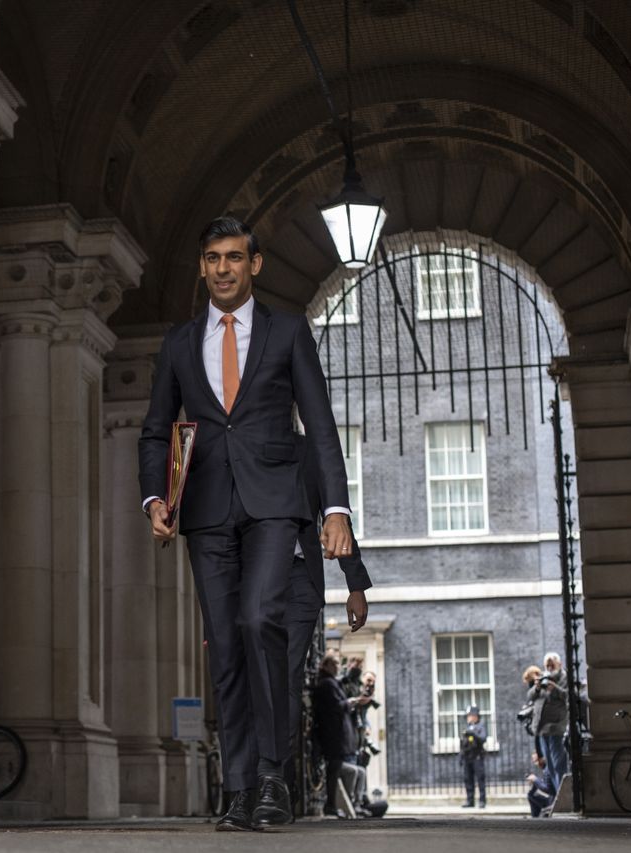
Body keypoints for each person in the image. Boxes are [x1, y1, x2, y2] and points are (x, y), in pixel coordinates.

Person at [139, 216, 354, 831]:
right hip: (205, 509)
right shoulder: (180, 344)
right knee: (227, 645)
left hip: (275, 502)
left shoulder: (287, 332)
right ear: (203, 266)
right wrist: (155, 497)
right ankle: (236, 789)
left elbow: (320, 422)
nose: (224, 268)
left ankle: (271, 776)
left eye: (235, 257)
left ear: (254, 264)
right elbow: (157, 429)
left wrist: (335, 509)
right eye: (213, 258)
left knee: (262, 619)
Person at [285, 434, 371, 787]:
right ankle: (244, 783)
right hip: (250, 581)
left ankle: (278, 782)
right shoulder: (236, 440)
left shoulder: (309, 450)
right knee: (246, 680)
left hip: (299, 579)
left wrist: (356, 586)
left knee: (286, 681)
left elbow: (336, 518)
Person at [311, 655, 365, 817]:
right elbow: (334, 707)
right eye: (334, 663)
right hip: (332, 734)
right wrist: (351, 702)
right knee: (333, 770)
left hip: (335, 733)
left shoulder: (331, 683)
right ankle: (330, 805)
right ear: (326, 665)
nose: (337, 667)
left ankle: (332, 804)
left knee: (334, 769)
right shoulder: (327, 684)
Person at [529, 652, 569, 797]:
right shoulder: (543, 678)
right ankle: (558, 797)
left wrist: (555, 688)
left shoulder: (564, 678)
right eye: (547, 665)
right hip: (542, 729)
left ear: (559, 664)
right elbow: (530, 696)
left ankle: (563, 797)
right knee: (550, 766)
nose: (550, 668)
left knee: (559, 765)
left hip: (556, 727)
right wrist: (537, 687)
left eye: (552, 665)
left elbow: (568, 695)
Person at [459, 705, 487, 808]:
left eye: (469, 715)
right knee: (468, 779)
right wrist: (461, 757)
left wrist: (474, 734)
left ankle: (482, 801)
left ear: (475, 716)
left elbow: (483, 739)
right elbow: (462, 744)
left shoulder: (481, 727)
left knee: (480, 779)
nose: (468, 717)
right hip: (467, 757)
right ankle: (470, 801)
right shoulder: (467, 728)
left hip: (477, 757)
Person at [525, 751, 554, 818]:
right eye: (535, 761)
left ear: (543, 758)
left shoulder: (547, 769)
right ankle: (535, 817)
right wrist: (535, 781)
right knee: (530, 795)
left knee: (530, 795)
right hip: (550, 799)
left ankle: (536, 817)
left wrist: (535, 780)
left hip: (552, 801)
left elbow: (548, 789)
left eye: (538, 760)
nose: (537, 763)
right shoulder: (545, 769)